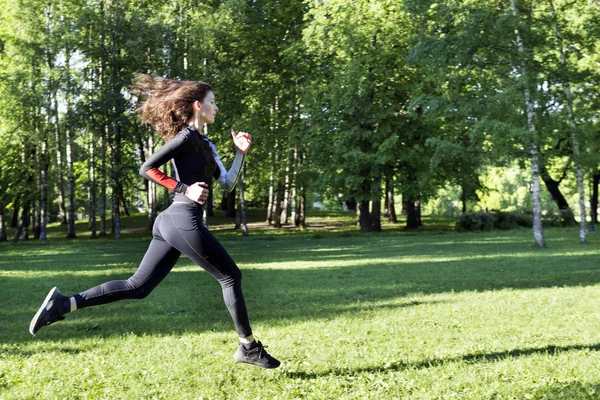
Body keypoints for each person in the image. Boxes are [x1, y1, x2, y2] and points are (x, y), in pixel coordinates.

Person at [29, 74, 280, 369]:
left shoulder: (207, 145)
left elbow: (226, 183)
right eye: (212, 102)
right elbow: (147, 168)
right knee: (230, 276)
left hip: (172, 223)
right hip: (181, 217)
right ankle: (248, 346)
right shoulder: (185, 138)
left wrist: (240, 153)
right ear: (198, 106)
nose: (216, 108)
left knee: (138, 287)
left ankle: (63, 304)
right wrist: (185, 188)